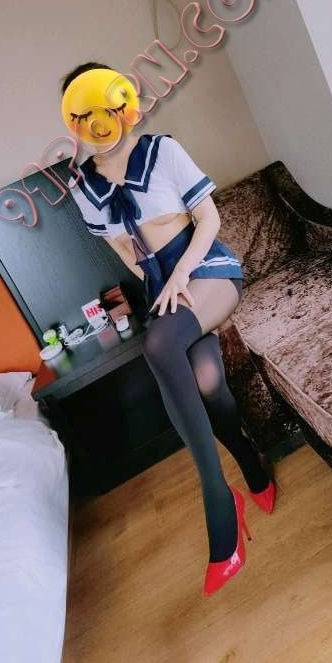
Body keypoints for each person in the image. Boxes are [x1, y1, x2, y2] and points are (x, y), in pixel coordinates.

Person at [60, 62, 276, 596]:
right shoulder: (82, 186)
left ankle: (218, 502)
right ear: (75, 121)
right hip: (166, 287)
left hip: (208, 270)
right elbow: (120, 247)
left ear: (124, 106)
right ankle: (250, 461)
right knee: (206, 381)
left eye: (109, 107)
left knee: (159, 343)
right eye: (87, 113)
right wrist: (158, 285)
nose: (101, 121)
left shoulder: (162, 151)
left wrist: (181, 275)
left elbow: (210, 220)